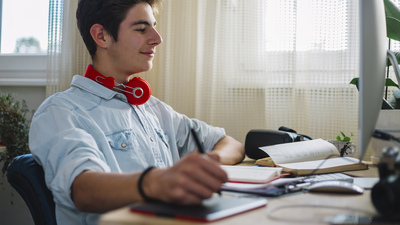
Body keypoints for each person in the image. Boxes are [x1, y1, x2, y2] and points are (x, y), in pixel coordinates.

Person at [29, 0, 245, 224]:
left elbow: (230, 143)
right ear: (101, 36)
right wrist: (156, 183)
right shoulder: (61, 111)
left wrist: (210, 164)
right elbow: (83, 189)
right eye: (142, 29)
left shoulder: (154, 109)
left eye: (154, 26)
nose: (157, 39)